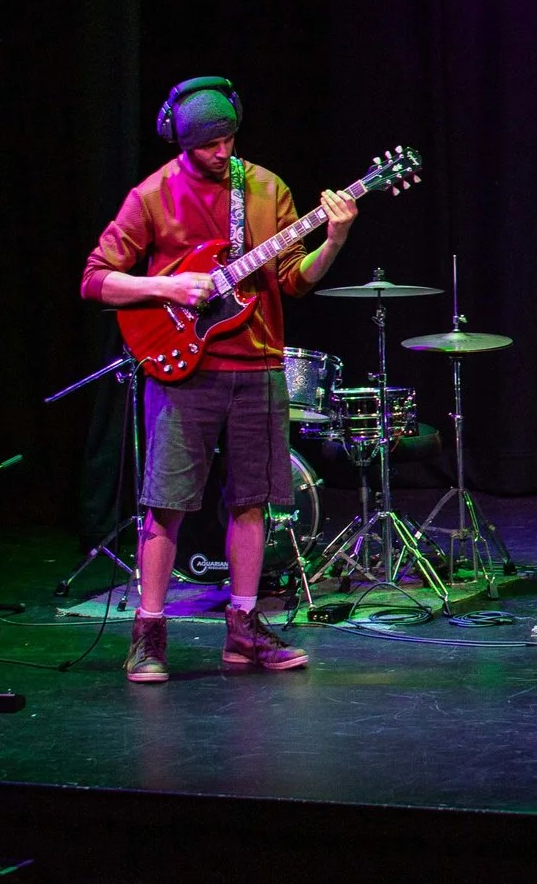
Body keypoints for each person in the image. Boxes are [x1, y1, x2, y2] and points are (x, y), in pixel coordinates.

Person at [81, 76, 356, 682]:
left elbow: (294, 279)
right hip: (183, 370)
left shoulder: (265, 187)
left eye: (230, 138)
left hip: (258, 364)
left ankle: (244, 628)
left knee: (252, 501)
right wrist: (167, 286)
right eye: (210, 144)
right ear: (180, 140)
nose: (223, 152)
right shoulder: (152, 195)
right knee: (166, 503)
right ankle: (149, 632)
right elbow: (96, 278)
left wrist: (333, 237)